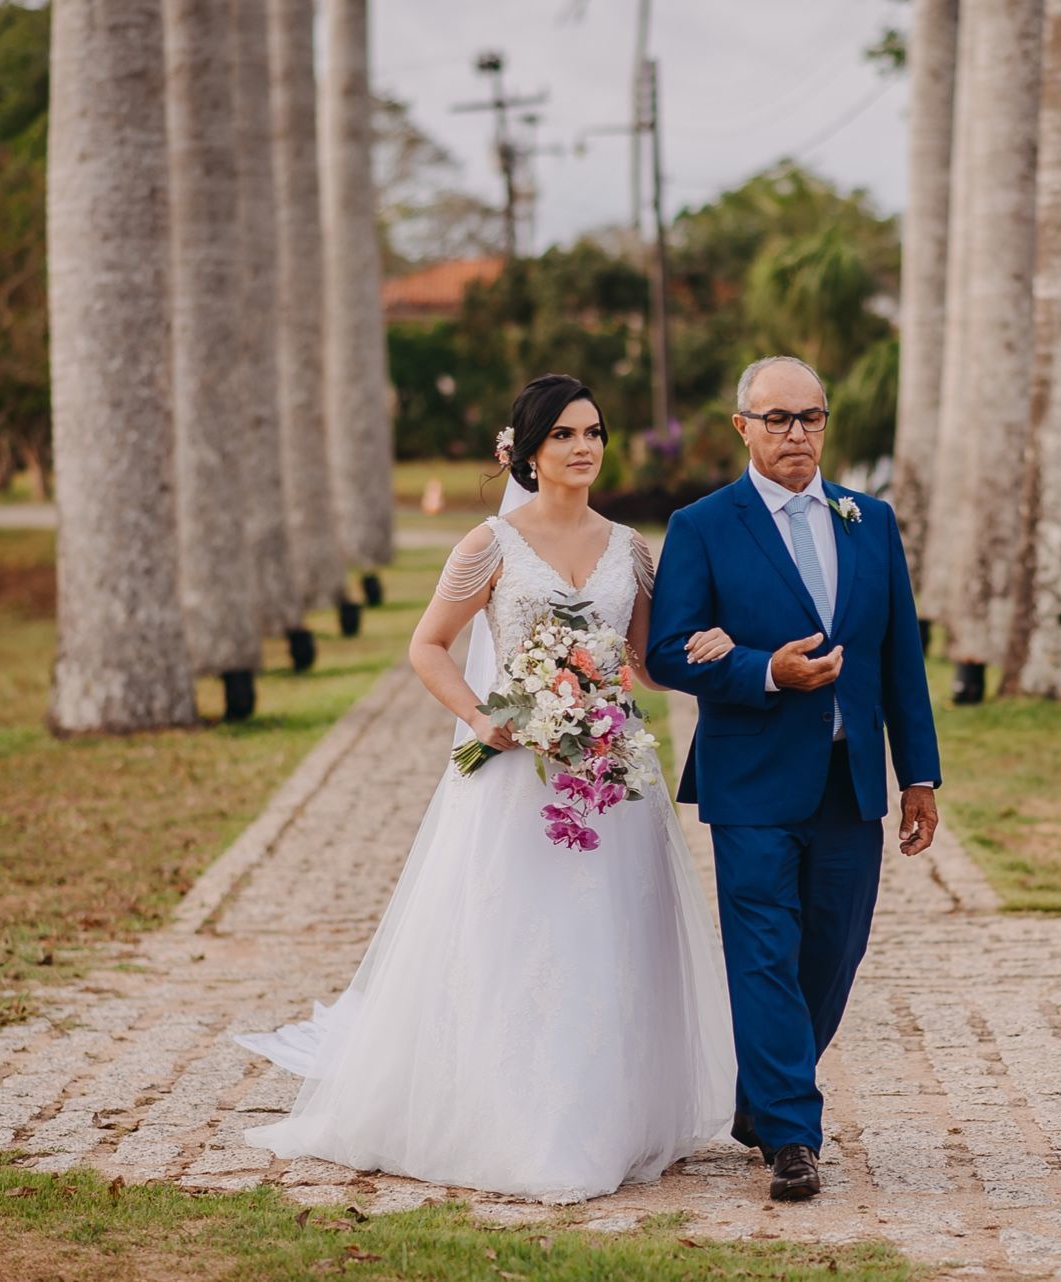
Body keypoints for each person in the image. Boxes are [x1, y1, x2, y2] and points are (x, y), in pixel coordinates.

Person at [235, 373, 737, 1204]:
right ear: (530, 453)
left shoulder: (630, 550)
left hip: (611, 777)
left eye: (595, 433)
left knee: (610, 941)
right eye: (567, 435)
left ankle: (610, 1115)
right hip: (516, 774)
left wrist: (710, 646)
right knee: (523, 939)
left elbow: (644, 664)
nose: (585, 448)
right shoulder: (489, 545)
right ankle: (515, 1117)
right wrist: (483, 716)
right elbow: (428, 646)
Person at [645, 354, 942, 1202]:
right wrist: (765, 671)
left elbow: (899, 660)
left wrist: (917, 775)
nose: (796, 434)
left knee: (832, 954)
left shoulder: (869, 520)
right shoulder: (703, 525)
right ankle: (792, 1136)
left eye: (809, 417)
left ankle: (760, 1099)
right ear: (742, 427)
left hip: (852, 782)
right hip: (752, 783)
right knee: (764, 954)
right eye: (777, 419)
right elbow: (669, 652)